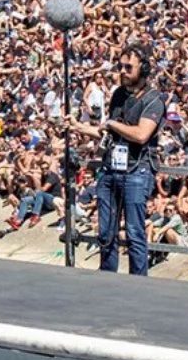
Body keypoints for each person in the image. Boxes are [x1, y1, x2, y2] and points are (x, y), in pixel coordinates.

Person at [70, 43, 165, 275]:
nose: (122, 71)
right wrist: (78, 126)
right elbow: (106, 131)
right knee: (106, 231)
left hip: (137, 170)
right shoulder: (118, 95)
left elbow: (142, 134)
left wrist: (112, 124)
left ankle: (137, 282)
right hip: (112, 167)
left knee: (134, 232)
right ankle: (107, 278)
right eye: (120, 66)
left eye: (128, 67)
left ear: (143, 69)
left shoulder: (154, 100)